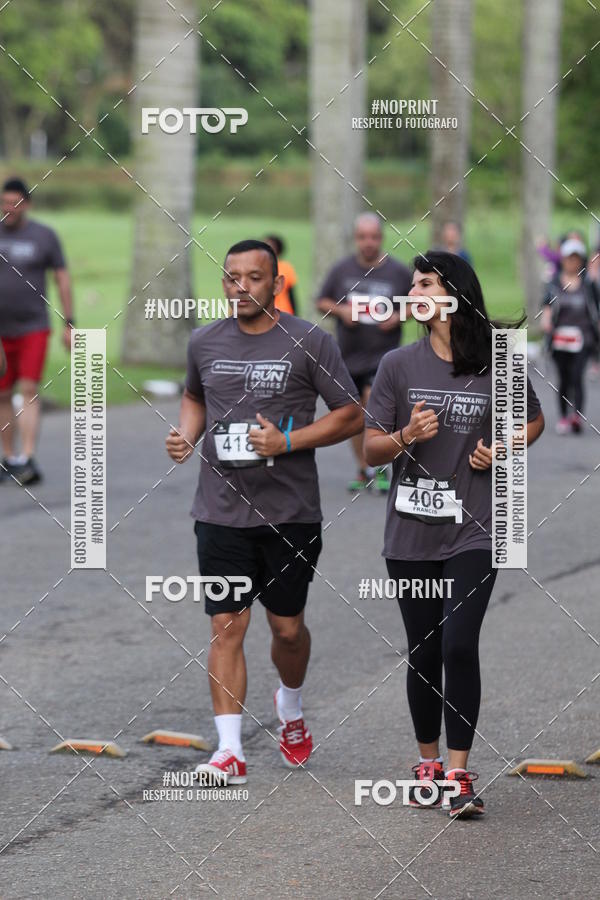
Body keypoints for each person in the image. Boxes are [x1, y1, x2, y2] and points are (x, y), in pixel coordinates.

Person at [166, 239, 363, 783]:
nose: (241, 287)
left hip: (289, 512)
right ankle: (229, 750)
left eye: (254, 277)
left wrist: (288, 442)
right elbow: (195, 397)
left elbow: (350, 415)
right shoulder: (204, 340)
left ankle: (290, 707)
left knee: (287, 629)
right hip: (220, 510)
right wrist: (186, 434)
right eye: (232, 277)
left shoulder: (309, 341)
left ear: (276, 284)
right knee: (226, 625)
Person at [364, 251, 544, 818]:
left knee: (458, 643)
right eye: (412, 284)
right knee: (424, 649)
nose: (413, 292)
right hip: (411, 532)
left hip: (477, 528)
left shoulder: (499, 359)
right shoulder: (397, 364)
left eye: (424, 283)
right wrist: (406, 434)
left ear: (454, 293)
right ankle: (429, 764)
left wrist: (505, 446)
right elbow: (370, 450)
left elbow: (532, 420)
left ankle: (459, 774)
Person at [316, 212, 411, 493]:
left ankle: (379, 466)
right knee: (354, 415)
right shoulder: (342, 270)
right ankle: (364, 468)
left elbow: (420, 303)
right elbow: (322, 301)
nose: (368, 242)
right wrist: (342, 311)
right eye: (362, 237)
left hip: (383, 356)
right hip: (349, 357)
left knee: (372, 405)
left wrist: (398, 316)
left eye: (374, 237)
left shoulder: (398, 272)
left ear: (381, 238)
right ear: (355, 239)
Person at [0, 177, 74, 485]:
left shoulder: (44, 236)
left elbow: (62, 278)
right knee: (3, 393)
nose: (8, 208)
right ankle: (9, 458)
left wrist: (69, 322)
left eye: (14, 203)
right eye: (4, 202)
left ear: (26, 204)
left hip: (33, 327)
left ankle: (27, 458)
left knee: (29, 389)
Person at [540, 237, 600, 434]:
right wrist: (546, 320)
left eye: (576, 258)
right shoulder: (554, 284)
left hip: (583, 339)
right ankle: (564, 417)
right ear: (563, 260)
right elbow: (547, 305)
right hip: (560, 339)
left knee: (577, 376)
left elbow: (595, 310)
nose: (572, 262)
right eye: (569, 258)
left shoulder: (589, 285)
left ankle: (577, 417)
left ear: (581, 260)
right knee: (564, 379)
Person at [264, 235, 298, 315]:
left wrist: (296, 316)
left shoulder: (286, 268)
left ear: (277, 250)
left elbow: (291, 294)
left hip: (283, 312)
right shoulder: (257, 266)